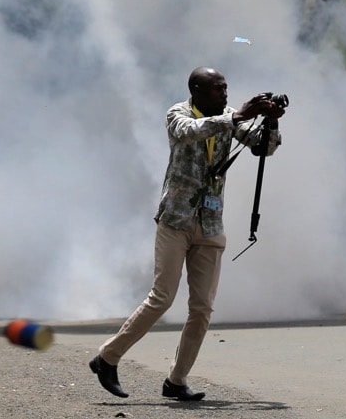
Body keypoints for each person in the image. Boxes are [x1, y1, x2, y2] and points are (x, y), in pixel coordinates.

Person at [89, 66, 285, 401]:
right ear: (196, 90)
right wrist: (238, 115)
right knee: (161, 297)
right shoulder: (178, 114)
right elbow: (189, 131)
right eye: (217, 88)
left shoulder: (229, 117)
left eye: (226, 88)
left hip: (210, 223)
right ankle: (107, 357)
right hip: (176, 220)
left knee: (202, 308)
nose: (224, 94)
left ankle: (176, 381)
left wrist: (272, 120)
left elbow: (263, 149)